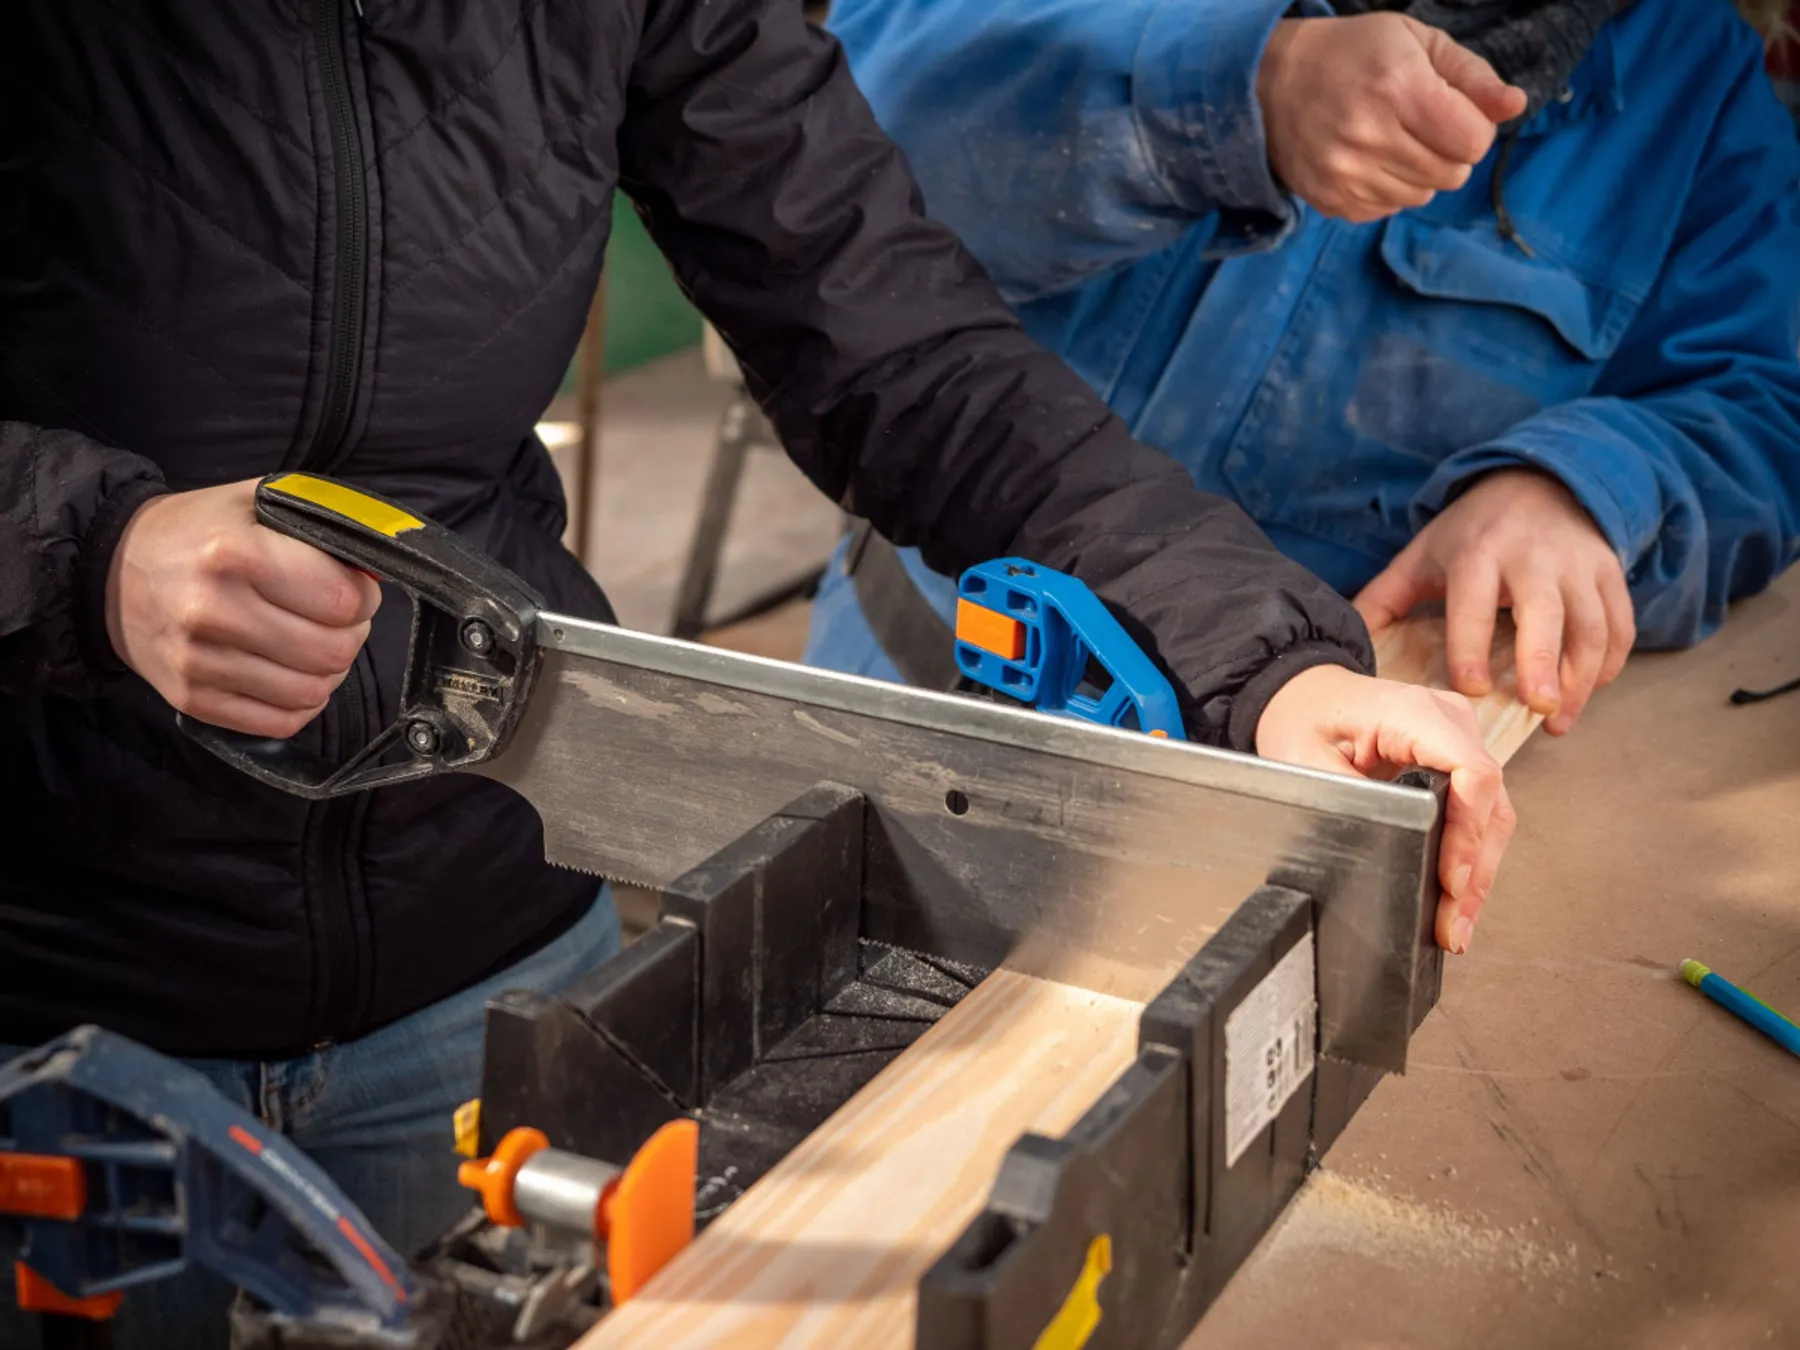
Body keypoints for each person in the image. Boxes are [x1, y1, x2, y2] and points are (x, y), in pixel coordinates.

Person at [0, 3, 1512, 1344]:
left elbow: (897, 347)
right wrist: (88, 549)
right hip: (62, 990)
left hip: (495, 955)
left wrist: (1252, 663)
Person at [805, 0, 1800, 741]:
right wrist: (1239, 94)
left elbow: (1757, 407)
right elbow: (827, 154)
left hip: (1288, 771)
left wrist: (1583, 484)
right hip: (905, 676)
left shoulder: (1700, 90)